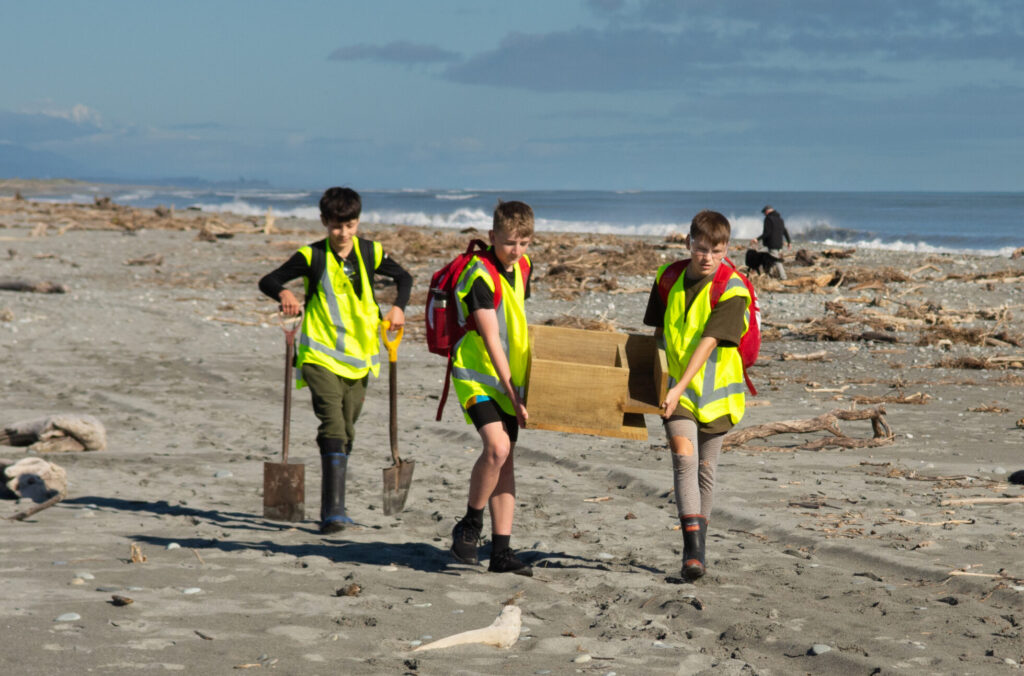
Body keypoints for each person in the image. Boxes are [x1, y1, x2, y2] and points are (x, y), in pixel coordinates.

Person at [259, 187, 412, 533]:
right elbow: (268, 279)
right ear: (325, 223)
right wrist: (284, 292)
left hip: (360, 358)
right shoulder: (311, 255)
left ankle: (334, 500)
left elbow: (405, 277)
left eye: (350, 225)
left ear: (357, 222)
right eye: (336, 226)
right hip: (319, 355)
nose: (343, 233)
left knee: (347, 431)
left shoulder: (370, 252)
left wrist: (399, 306)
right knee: (333, 425)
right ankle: (334, 512)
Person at [644, 210, 752, 580]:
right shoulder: (667, 277)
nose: (707, 257)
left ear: (726, 249)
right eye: (701, 247)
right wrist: (660, 383)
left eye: (716, 250)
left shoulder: (733, 289)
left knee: (707, 471)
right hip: (677, 393)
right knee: (683, 460)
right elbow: (659, 333)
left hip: (717, 395)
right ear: (688, 242)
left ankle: (700, 550)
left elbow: (708, 343)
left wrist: (677, 385)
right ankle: (691, 552)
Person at [448, 200, 534, 576]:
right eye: (509, 242)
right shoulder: (477, 275)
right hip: (476, 373)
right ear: (492, 237)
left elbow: (518, 324)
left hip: (509, 378)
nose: (517, 251)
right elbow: (491, 337)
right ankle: (469, 524)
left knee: (507, 459)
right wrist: (512, 393)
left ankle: (501, 553)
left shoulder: (525, 267)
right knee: (496, 448)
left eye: (525, 242)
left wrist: (524, 383)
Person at [750, 205, 791, 280]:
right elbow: (784, 231)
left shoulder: (768, 219)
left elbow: (767, 233)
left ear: (767, 211)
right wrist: (789, 242)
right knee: (772, 260)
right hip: (779, 244)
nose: (764, 214)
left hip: (772, 244)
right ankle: (770, 275)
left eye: (764, 213)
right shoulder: (780, 219)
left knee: (776, 260)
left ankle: (783, 277)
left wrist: (757, 239)